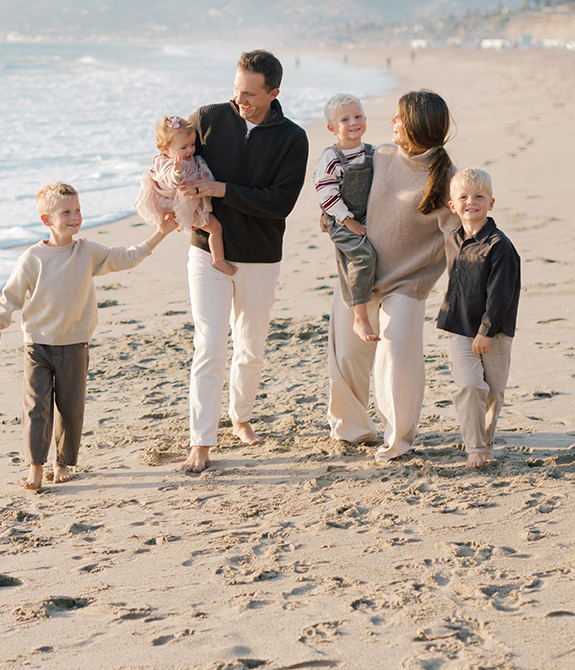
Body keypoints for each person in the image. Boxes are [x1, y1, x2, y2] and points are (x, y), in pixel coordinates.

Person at [0, 181, 173, 490]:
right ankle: (35, 468)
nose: (75, 216)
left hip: (74, 344)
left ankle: (62, 463)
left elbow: (125, 257)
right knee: (36, 408)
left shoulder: (86, 251)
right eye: (66, 212)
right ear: (46, 220)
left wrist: (162, 232)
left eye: (78, 210)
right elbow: (12, 295)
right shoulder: (33, 258)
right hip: (38, 345)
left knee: (71, 409)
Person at [179, 50, 309, 472]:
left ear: (274, 93)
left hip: (260, 257)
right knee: (210, 344)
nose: (240, 100)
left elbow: (280, 204)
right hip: (206, 253)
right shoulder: (209, 117)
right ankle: (201, 440)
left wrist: (221, 189)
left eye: (251, 94)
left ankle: (241, 417)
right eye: (237, 90)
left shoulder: (293, 138)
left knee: (250, 349)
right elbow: (174, 155)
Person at [326, 90, 460, 461]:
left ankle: (399, 440)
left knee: (397, 355)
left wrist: (462, 290)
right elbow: (349, 194)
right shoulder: (381, 155)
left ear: (416, 125)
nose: (392, 123)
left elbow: (456, 238)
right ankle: (352, 431)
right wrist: (331, 216)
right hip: (360, 273)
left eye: (399, 118)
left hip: (409, 282)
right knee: (347, 355)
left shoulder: (447, 177)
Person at [437, 168, 521, 469]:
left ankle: (484, 445)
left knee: (493, 393)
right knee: (471, 385)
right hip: (459, 325)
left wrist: (486, 330)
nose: (471, 202)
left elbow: (501, 295)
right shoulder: (452, 239)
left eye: (479, 196)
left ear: (491, 203)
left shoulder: (500, 246)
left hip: (494, 332)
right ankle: (474, 448)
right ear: (452, 205)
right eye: (463, 197)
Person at [134, 114, 235, 276]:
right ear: (166, 150)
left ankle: (218, 259)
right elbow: (171, 179)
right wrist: (177, 172)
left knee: (215, 227)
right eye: (184, 147)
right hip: (182, 207)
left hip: (190, 204)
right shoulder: (164, 162)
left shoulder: (188, 158)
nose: (190, 150)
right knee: (215, 228)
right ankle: (219, 261)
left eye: (192, 145)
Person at [314, 94, 378, 342]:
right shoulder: (332, 157)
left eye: (358, 116)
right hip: (342, 218)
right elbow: (325, 192)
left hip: (368, 215)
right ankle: (360, 318)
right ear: (332, 128)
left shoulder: (371, 152)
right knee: (364, 256)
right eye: (345, 119)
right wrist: (346, 220)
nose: (354, 122)